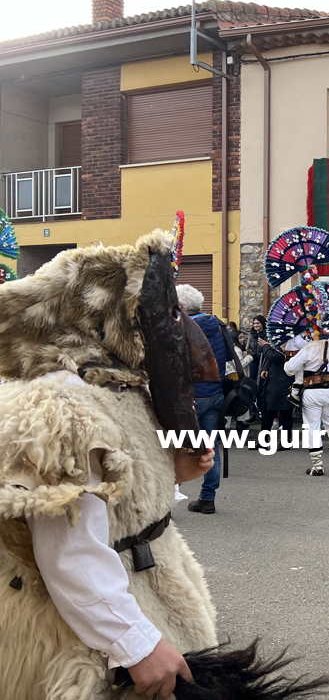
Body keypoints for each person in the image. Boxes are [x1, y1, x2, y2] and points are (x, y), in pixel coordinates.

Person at [0, 231, 219, 699]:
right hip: (96, 624)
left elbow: (121, 502)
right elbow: (68, 549)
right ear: (106, 317)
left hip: (151, 586)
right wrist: (135, 644)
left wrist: (176, 473)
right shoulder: (61, 404)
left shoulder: (117, 387)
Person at [176, 284, 229, 515]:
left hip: (191, 395)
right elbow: (228, 356)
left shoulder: (182, 327)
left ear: (180, 305)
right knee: (211, 446)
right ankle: (208, 498)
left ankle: (167, 502)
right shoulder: (218, 325)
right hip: (215, 393)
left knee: (175, 445)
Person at [285, 332, 329, 475]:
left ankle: (317, 465)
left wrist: (288, 361)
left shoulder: (309, 348)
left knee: (313, 426)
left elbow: (290, 369)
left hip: (313, 390)